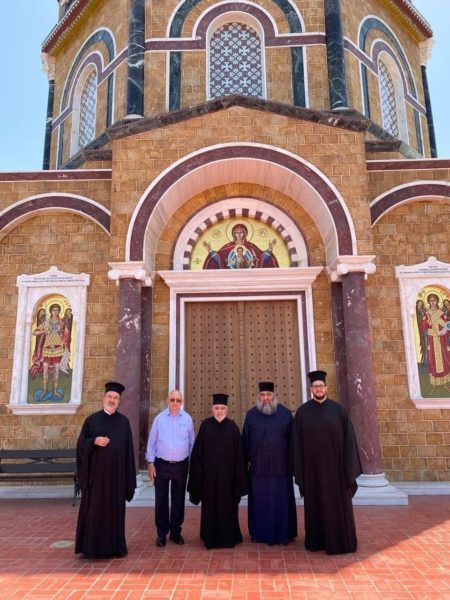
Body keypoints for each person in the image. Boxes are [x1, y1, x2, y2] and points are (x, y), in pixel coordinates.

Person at [291, 370, 362, 555]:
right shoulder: (302, 413)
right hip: (312, 472)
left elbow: (349, 442)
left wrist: (349, 471)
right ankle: (316, 542)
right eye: (315, 386)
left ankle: (340, 541)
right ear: (311, 389)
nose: (318, 389)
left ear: (326, 388)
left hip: (336, 474)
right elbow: (296, 445)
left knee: (337, 508)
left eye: (321, 386)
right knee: (315, 507)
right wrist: (300, 472)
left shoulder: (338, 411)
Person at [75, 381, 136, 559]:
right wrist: (93, 441)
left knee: (115, 513)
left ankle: (115, 547)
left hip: (116, 478)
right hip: (96, 478)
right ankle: (92, 548)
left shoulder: (124, 422)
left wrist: (128, 479)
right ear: (104, 398)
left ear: (119, 401)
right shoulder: (91, 421)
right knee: (94, 512)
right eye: (110, 396)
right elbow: (80, 446)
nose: (112, 400)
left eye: (116, 398)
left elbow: (129, 452)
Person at [187, 393, 248, 549]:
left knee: (229, 509)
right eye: (217, 408)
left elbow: (239, 457)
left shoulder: (233, 428)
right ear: (212, 409)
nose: (219, 411)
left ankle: (229, 538)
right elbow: (197, 455)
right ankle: (209, 537)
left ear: (227, 409)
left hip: (228, 481)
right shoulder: (205, 427)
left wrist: (238, 480)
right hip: (210, 481)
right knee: (210, 509)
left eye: (222, 408)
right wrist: (198, 478)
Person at [241, 381, 297, 545]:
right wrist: (246, 464)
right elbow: (245, 441)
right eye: (263, 395)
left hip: (281, 469)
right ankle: (259, 534)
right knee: (260, 503)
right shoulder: (251, 415)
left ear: (274, 396)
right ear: (259, 396)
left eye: (268, 395)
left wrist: (292, 466)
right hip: (258, 470)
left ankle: (283, 534)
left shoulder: (286, 414)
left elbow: (293, 442)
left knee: (281, 503)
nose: (266, 398)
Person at [146, 389, 195, 547]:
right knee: (161, 499)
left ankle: (175, 532)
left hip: (181, 465)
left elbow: (191, 443)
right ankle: (161, 533)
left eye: (178, 400)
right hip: (162, 464)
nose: (175, 403)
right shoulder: (159, 419)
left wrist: (192, 465)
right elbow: (151, 442)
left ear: (182, 402)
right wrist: (150, 463)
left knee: (178, 499)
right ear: (168, 400)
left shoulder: (187, 419)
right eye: (172, 399)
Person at [30, 303, 71, 399]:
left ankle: (55, 391)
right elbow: (34, 332)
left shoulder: (61, 322)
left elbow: (67, 333)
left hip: (58, 349)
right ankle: (44, 391)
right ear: (51, 311)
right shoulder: (46, 322)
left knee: (56, 371)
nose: (55, 312)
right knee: (45, 371)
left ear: (59, 311)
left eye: (57, 310)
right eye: (53, 310)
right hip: (47, 349)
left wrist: (63, 332)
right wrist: (44, 331)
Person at [203, 222, 278, 269]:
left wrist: (270, 249)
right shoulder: (228, 246)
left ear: (245, 234)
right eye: (237, 232)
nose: (239, 234)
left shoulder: (251, 246)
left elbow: (261, 257)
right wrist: (210, 250)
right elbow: (219, 258)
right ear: (233, 234)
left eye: (241, 232)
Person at [418, 293, 450, 393]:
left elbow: (448, 325)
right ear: (428, 302)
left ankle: (445, 384)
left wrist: (444, 330)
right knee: (432, 361)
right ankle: (433, 385)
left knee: (444, 360)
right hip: (431, 341)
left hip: (442, 340)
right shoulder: (427, 314)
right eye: (430, 300)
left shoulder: (441, 313)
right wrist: (427, 322)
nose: (432, 302)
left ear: (437, 301)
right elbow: (422, 326)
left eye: (434, 300)